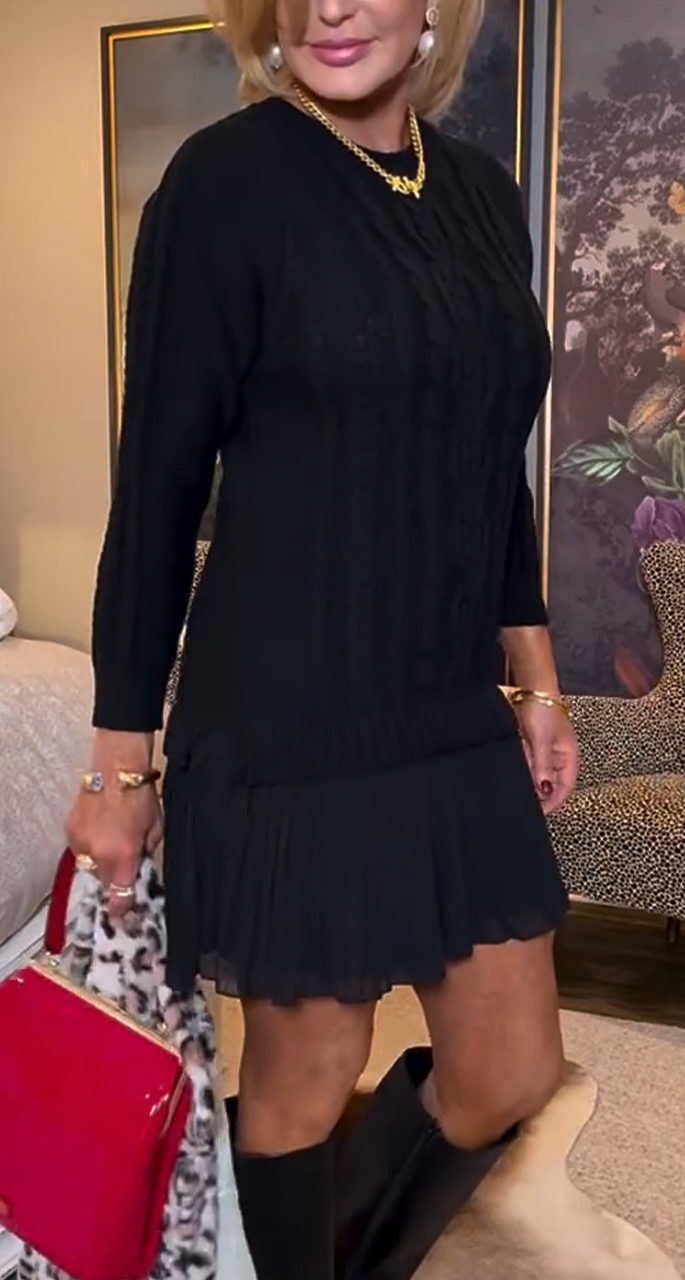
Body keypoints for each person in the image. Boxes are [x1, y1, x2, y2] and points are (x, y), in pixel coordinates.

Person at [66, 0, 578, 1275]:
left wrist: (535, 679)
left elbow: (486, 459)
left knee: (509, 1066)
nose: (331, 5)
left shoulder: (480, 192)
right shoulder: (226, 184)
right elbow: (158, 486)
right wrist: (121, 765)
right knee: (306, 1076)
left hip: (449, 704)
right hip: (290, 708)